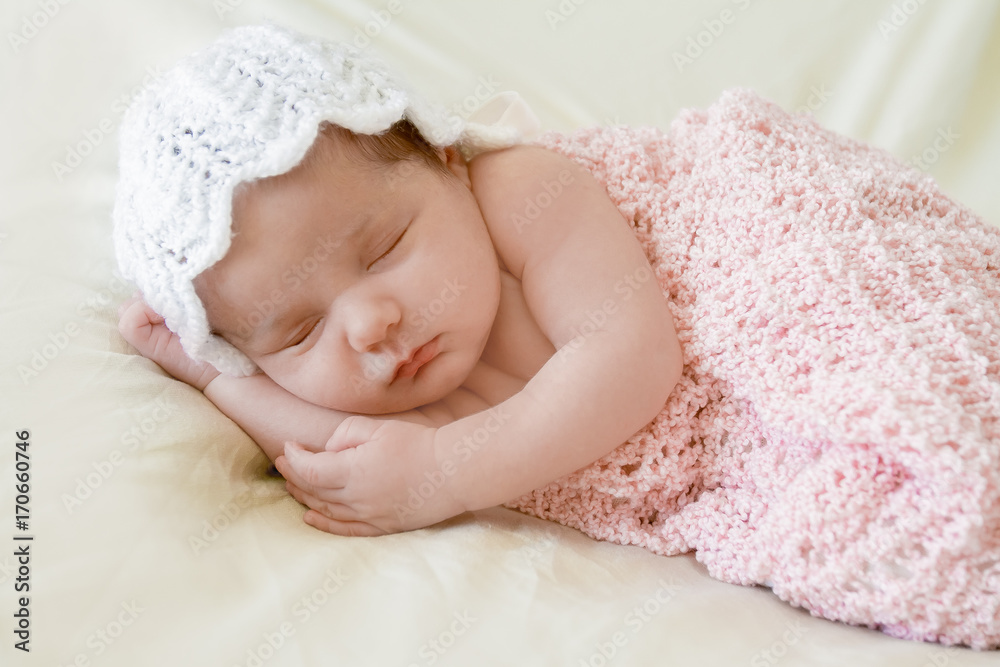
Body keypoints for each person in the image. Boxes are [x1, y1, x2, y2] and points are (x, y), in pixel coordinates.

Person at [114, 23, 684, 538]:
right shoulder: (407, 404)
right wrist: (208, 374)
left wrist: (446, 474)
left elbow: (632, 353)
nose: (368, 326)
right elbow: (336, 459)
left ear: (446, 159)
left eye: (384, 250)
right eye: (300, 332)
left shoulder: (521, 193)